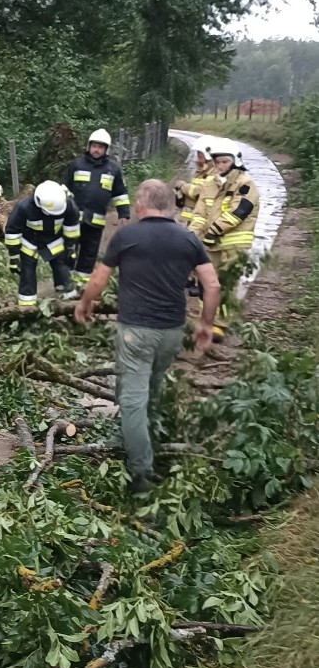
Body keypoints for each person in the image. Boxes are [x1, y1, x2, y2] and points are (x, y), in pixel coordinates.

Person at [74, 179, 220, 494]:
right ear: (170, 206)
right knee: (151, 387)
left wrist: (85, 304)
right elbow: (212, 285)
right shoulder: (188, 238)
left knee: (131, 398)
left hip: (136, 332)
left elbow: (99, 278)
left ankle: (140, 472)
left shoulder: (126, 235)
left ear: (140, 206)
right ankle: (147, 435)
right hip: (171, 332)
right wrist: (205, 325)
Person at [188, 138, 259, 340]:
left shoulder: (246, 185)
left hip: (233, 243)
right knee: (205, 282)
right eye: (218, 162)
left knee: (226, 283)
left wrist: (213, 232)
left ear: (235, 161)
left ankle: (220, 324)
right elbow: (200, 213)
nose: (220, 166)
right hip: (210, 243)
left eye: (225, 162)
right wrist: (192, 235)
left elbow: (238, 213)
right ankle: (206, 318)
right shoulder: (209, 184)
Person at [61, 129, 131, 293]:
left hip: (95, 222)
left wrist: (124, 213)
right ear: (89, 146)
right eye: (94, 146)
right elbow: (64, 189)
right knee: (68, 251)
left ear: (106, 149)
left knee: (89, 254)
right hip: (73, 220)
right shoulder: (76, 165)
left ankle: (82, 287)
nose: (97, 150)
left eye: (100, 147)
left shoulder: (113, 170)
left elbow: (120, 194)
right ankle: (66, 286)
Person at [4, 181, 81, 306]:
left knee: (61, 267)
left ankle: (69, 299)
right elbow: (12, 231)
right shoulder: (24, 207)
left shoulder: (68, 206)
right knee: (27, 272)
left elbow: (71, 228)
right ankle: (26, 304)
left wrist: (71, 248)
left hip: (55, 241)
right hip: (29, 242)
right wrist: (14, 257)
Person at [174, 136, 216, 227]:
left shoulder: (215, 174)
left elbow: (200, 192)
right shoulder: (199, 173)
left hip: (204, 222)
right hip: (192, 221)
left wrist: (183, 186)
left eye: (200, 156)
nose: (197, 160)